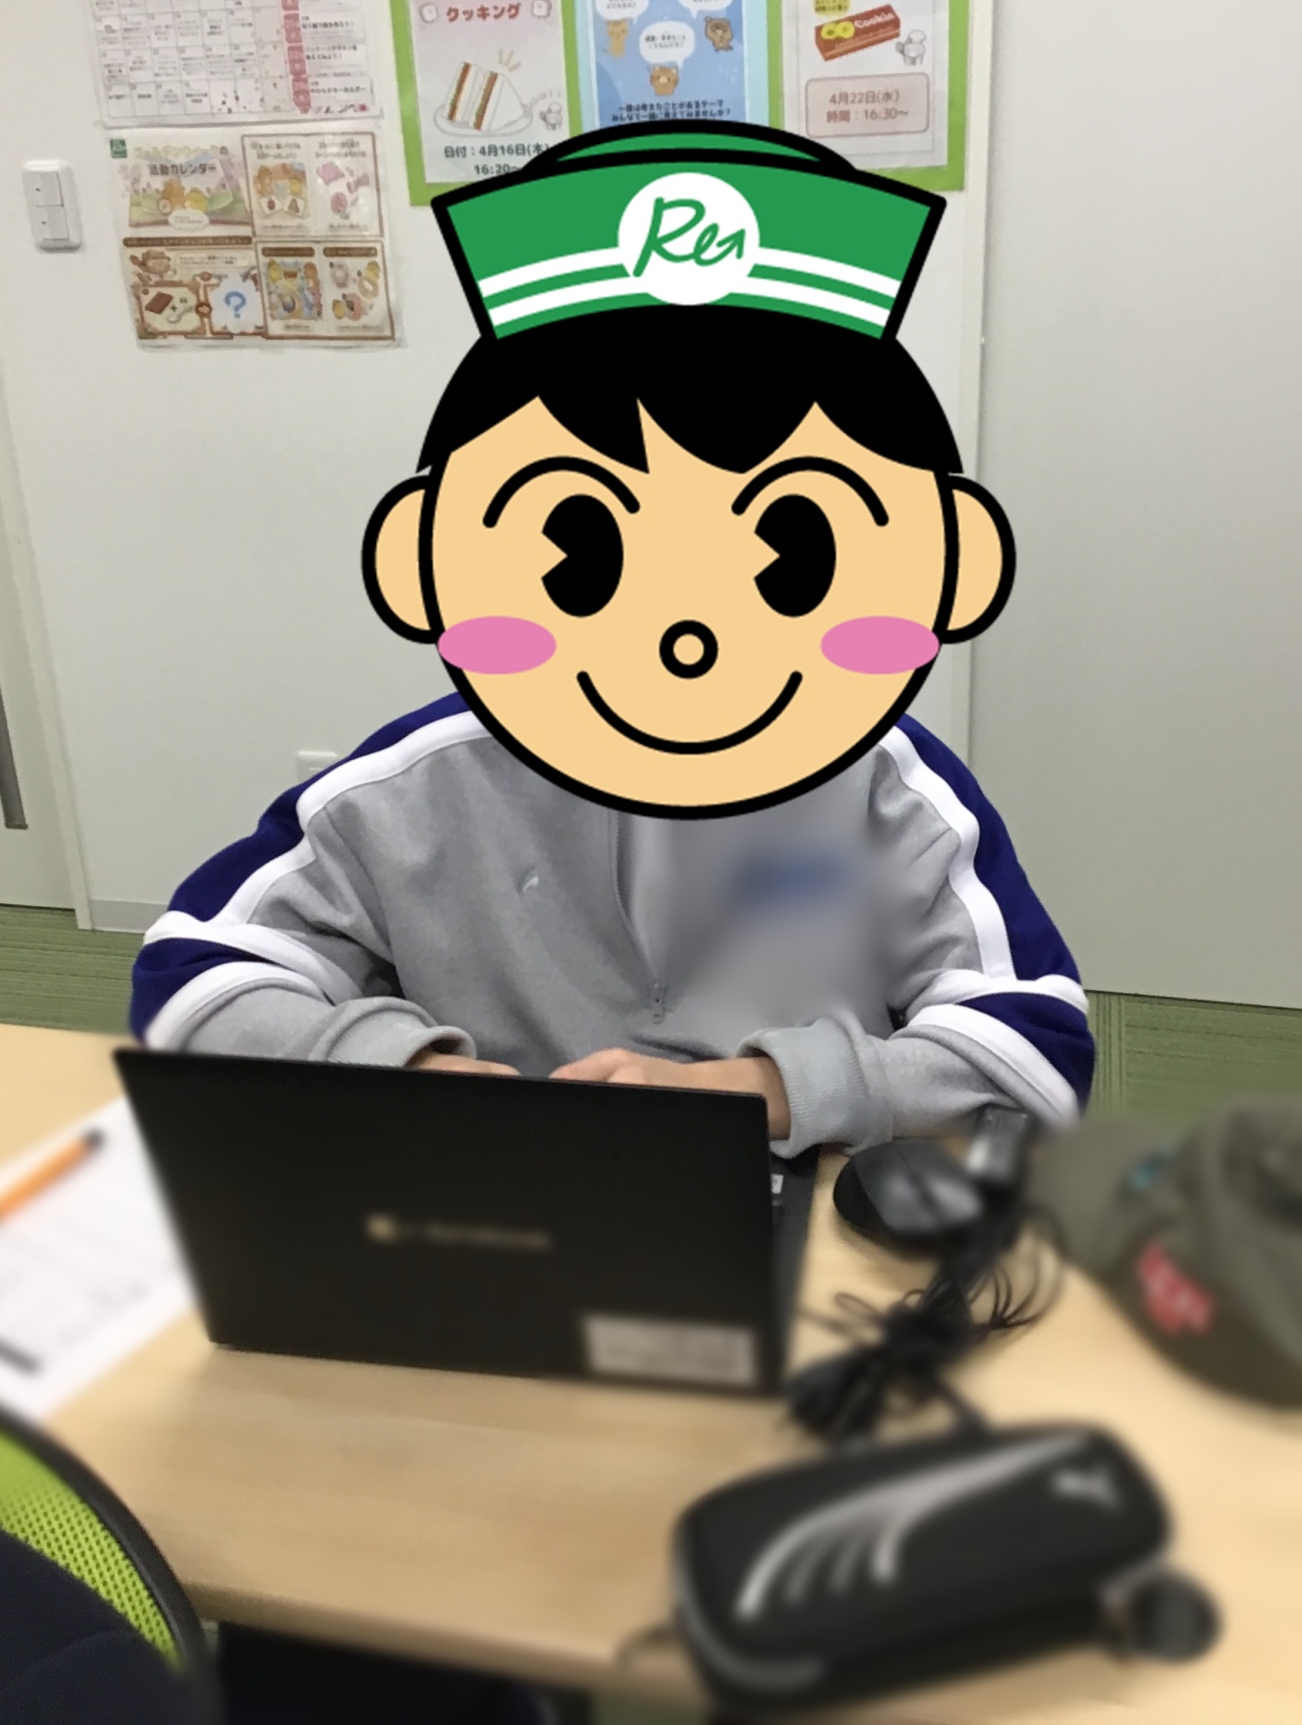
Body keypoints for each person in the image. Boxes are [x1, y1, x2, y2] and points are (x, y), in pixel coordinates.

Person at [131, 123, 1092, 1143]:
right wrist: (407, 1069)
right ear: (423, 556)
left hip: (780, 1175)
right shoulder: (411, 787)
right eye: (581, 551)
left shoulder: (889, 784)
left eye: (792, 553)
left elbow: (1037, 1044)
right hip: (497, 1179)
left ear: (953, 560)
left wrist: (759, 1091)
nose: (685, 634)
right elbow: (195, 974)